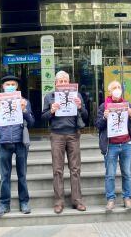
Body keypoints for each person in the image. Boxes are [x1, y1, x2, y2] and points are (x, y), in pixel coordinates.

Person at [41, 71, 88, 214]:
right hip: (57, 135)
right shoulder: (49, 97)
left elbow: (86, 116)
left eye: (65, 81)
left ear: (69, 82)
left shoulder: (77, 95)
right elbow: (43, 117)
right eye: (60, 81)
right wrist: (52, 111)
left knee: (75, 169)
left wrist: (80, 107)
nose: (62, 83)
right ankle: (58, 201)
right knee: (57, 170)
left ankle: (77, 200)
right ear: (55, 83)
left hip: (73, 134)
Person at [0, 74, 35, 217]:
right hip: (4, 142)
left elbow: (32, 122)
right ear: (3, 87)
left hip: (20, 141)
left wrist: (24, 111)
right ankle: (4, 204)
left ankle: (24, 202)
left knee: (22, 174)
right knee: (5, 176)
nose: (10, 86)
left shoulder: (24, 102)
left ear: (17, 87)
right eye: (7, 84)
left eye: (13, 84)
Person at [95, 80, 131, 212]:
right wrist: (104, 117)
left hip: (126, 144)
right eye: (114, 87)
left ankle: (127, 198)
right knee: (110, 174)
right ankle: (111, 199)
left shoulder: (127, 104)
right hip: (111, 145)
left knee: (127, 173)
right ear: (109, 91)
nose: (117, 89)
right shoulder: (103, 106)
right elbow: (97, 125)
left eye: (119, 87)